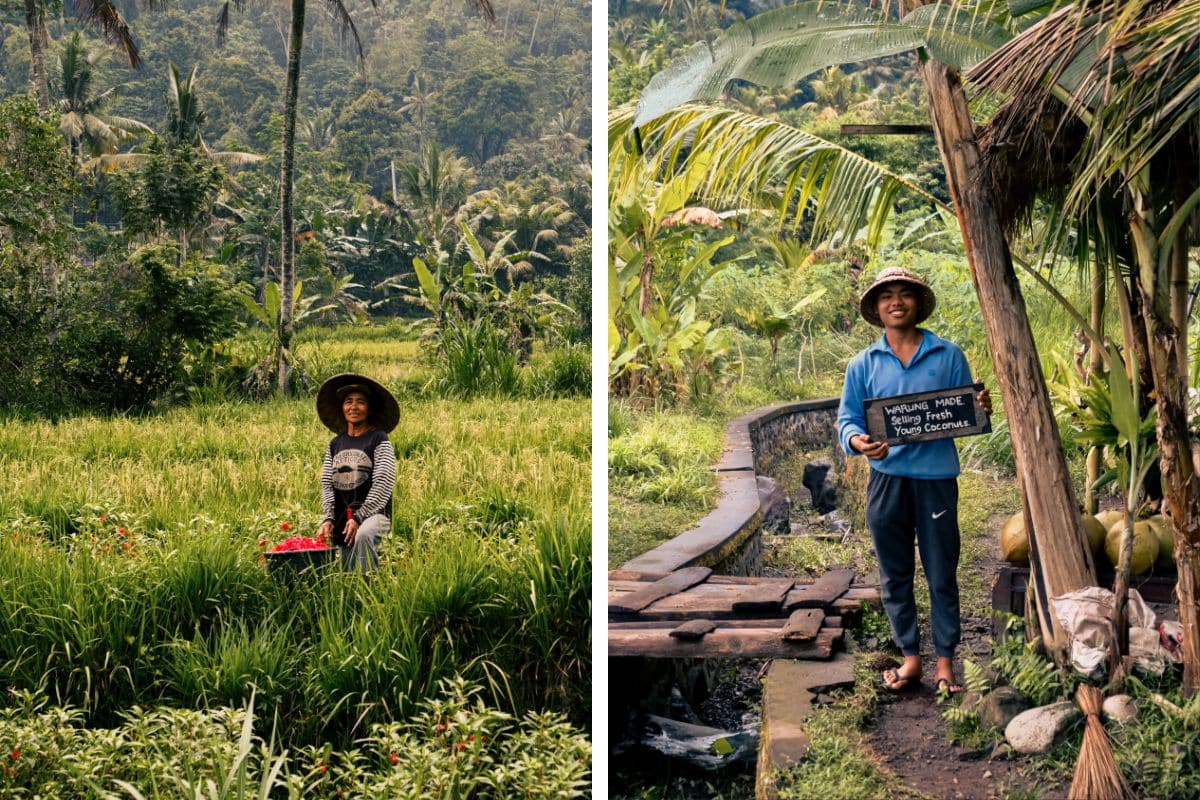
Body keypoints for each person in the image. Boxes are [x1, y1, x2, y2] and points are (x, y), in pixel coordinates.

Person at [836, 267, 991, 695]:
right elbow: (847, 421)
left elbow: (967, 410)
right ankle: (910, 659)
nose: (897, 302)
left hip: (937, 479)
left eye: (905, 295)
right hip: (887, 480)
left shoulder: (947, 355)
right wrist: (859, 442)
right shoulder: (863, 364)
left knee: (942, 570)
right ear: (877, 308)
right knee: (895, 571)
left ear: (918, 304)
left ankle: (945, 663)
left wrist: (980, 405)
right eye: (888, 297)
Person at [314, 373, 399, 572]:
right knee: (346, 570)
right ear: (342, 408)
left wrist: (360, 517)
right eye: (348, 402)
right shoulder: (336, 444)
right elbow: (327, 483)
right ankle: (353, 597)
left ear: (368, 408)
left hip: (375, 515)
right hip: (344, 517)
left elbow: (383, 482)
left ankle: (369, 589)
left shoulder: (379, 439)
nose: (354, 407)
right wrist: (328, 518)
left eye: (360, 402)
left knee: (363, 535)